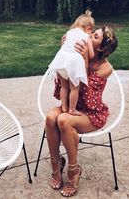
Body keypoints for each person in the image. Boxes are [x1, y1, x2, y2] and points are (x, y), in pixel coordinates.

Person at [46, 25, 118, 197]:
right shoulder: (74, 55)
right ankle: (56, 166)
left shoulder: (105, 68)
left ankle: (73, 170)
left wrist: (83, 61)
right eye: (92, 33)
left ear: (100, 48)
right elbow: (60, 89)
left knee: (64, 120)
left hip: (91, 113)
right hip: (73, 108)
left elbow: (87, 98)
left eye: (94, 37)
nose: (88, 36)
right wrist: (65, 52)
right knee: (50, 117)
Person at [48, 10, 95, 116]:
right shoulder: (86, 37)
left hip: (60, 62)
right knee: (74, 88)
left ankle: (64, 106)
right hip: (72, 65)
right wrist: (87, 50)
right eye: (91, 32)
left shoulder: (68, 33)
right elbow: (91, 55)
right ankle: (72, 109)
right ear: (88, 29)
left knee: (64, 87)